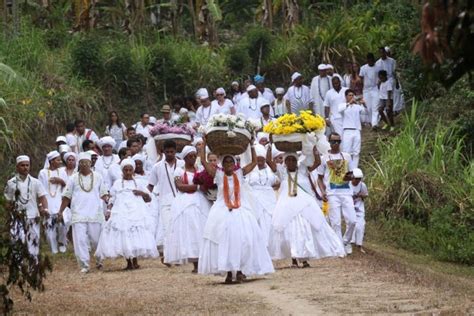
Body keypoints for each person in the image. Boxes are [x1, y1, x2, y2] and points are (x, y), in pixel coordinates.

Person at [198, 137, 274, 284]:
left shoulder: (239, 173)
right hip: (222, 209)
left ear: (234, 163)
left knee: (243, 239)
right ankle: (227, 272)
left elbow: (253, 163)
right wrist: (205, 142)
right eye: (226, 162)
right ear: (222, 163)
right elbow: (203, 161)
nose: (228, 164)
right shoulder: (218, 174)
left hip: (240, 209)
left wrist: (252, 145)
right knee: (223, 240)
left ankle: (239, 271)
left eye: (231, 162)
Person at [266, 146, 345, 267]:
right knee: (290, 231)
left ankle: (304, 258)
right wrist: (270, 146)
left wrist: (314, 148)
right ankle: (293, 258)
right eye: (288, 160)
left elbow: (317, 162)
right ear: (285, 161)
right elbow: (268, 161)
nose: (291, 162)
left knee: (304, 230)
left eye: (293, 160)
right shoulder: (281, 171)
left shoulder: (303, 169)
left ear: (297, 161)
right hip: (286, 206)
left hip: (304, 205)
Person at [95, 159, 158, 270]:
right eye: (126, 170)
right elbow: (112, 199)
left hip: (136, 210)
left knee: (135, 233)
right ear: (122, 171)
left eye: (130, 170)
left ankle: (135, 261)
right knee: (124, 234)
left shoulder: (138, 183)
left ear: (133, 170)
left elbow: (148, 199)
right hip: (121, 211)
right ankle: (129, 262)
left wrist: (141, 193)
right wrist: (108, 211)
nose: (128, 172)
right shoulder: (117, 183)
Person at [58, 152, 109, 273]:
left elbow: (104, 194)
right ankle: (84, 264)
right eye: (82, 163)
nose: (85, 165)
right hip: (78, 213)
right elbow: (66, 196)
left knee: (97, 239)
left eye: (87, 163)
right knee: (80, 240)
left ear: (91, 164)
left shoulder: (98, 176)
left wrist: (109, 204)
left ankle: (99, 260)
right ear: (79, 164)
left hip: (95, 213)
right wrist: (60, 211)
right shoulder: (73, 178)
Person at [164, 146, 211, 272]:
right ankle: (194, 262)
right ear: (184, 158)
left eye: (194, 156)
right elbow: (180, 186)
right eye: (190, 156)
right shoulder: (179, 171)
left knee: (200, 229)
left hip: (200, 202)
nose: (193, 158)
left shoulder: (200, 169)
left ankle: (202, 261)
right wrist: (197, 187)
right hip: (185, 202)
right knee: (190, 231)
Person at [317, 133, 356, 255]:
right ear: (329, 142)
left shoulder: (347, 157)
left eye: (338, 141)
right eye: (333, 142)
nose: (336, 144)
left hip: (346, 192)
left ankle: (345, 241)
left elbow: (352, 173)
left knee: (352, 220)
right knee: (336, 223)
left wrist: (350, 177)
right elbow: (319, 178)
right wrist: (323, 192)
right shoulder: (325, 158)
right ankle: (339, 249)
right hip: (332, 193)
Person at [4, 155, 48, 258]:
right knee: (17, 240)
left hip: (33, 216)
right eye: (22, 165)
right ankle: (17, 266)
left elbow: (42, 197)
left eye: (27, 165)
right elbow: (8, 201)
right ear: (17, 167)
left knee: (33, 240)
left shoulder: (36, 182)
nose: (25, 167)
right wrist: (10, 215)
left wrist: (44, 209)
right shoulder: (11, 183)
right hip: (17, 217)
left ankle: (34, 264)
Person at [148, 140, 184, 262]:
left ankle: (180, 255)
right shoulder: (157, 167)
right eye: (167, 151)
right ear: (163, 151)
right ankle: (168, 256)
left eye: (172, 152)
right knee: (167, 228)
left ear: (175, 151)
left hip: (181, 200)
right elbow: (150, 185)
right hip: (164, 201)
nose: (169, 154)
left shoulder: (182, 164)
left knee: (180, 227)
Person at [246, 145, 278, 247]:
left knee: (269, 220)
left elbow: (277, 181)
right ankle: (259, 246)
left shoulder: (269, 170)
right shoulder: (249, 170)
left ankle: (271, 246)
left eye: (262, 160)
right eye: (257, 160)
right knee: (257, 220)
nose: (259, 163)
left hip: (269, 197)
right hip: (255, 198)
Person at [38, 151, 68, 254]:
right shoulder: (43, 172)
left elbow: (67, 186)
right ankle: (53, 247)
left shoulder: (62, 171)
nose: (60, 162)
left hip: (59, 200)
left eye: (60, 160)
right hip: (47, 201)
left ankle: (62, 243)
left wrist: (60, 181)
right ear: (51, 161)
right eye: (58, 160)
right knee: (49, 226)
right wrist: (41, 206)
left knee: (63, 225)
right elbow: (40, 189)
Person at [338, 89, 367, 168]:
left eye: (352, 95)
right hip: (347, 130)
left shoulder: (357, 106)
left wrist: (364, 104)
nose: (351, 97)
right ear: (346, 97)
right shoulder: (342, 105)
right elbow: (339, 110)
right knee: (347, 152)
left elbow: (365, 112)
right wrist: (349, 103)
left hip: (357, 130)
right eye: (349, 95)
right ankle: (347, 169)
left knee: (356, 152)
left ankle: (354, 169)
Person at [359, 53, 380, 129]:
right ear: (367, 60)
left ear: (373, 60)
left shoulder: (378, 67)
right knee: (368, 107)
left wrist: (379, 84)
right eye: (369, 60)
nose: (370, 61)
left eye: (372, 60)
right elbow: (361, 79)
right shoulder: (363, 68)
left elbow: (381, 77)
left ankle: (375, 124)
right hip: (366, 90)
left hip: (375, 89)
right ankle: (372, 122)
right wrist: (362, 91)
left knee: (375, 107)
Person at [350, 168, 368, 253]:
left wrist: (361, 195)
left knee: (361, 225)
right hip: (350, 207)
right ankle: (351, 242)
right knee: (352, 223)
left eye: (359, 179)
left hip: (359, 207)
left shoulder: (362, 185)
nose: (357, 181)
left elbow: (366, 195)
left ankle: (359, 245)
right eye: (356, 178)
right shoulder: (348, 185)